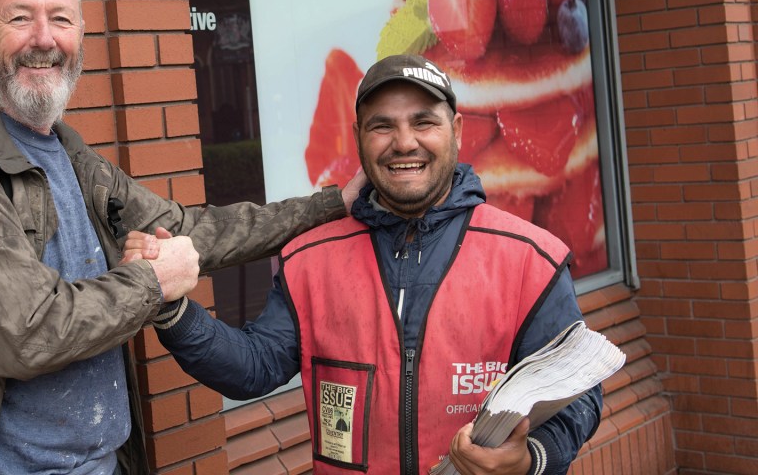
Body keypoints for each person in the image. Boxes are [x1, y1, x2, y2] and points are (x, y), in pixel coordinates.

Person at [0, 0, 362, 475]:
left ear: (82, 37)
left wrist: (331, 204)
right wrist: (154, 282)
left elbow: (188, 230)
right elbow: (25, 333)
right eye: (20, 18)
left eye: (61, 20)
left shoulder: (72, 157)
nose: (43, 39)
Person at [149, 54, 603, 475]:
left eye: (424, 122)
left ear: (458, 130)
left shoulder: (530, 258)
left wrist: (530, 460)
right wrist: (174, 312)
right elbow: (253, 368)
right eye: (382, 126)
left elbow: (577, 395)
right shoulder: (310, 259)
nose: (404, 143)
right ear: (359, 137)